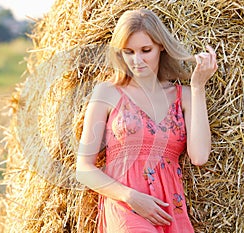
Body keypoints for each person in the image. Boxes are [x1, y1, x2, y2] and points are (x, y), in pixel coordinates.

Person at [76, 8, 217, 233]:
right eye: (128, 52)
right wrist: (130, 197)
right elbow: (83, 168)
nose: (137, 60)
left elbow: (199, 156)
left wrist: (198, 87)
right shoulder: (108, 92)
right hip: (125, 208)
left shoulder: (185, 96)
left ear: (161, 46)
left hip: (169, 209)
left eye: (145, 50)